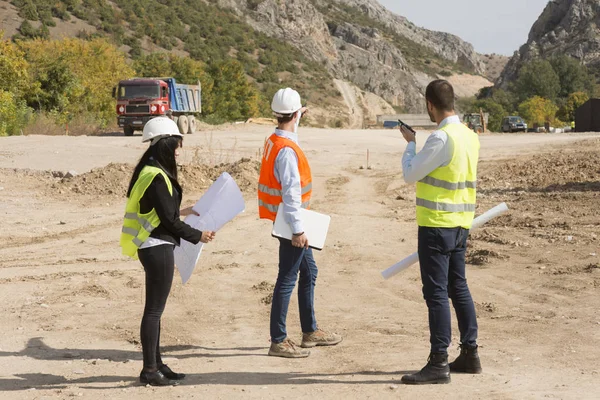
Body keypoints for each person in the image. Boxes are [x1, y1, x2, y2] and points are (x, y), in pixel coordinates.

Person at [120, 117, 216, 386]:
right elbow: (169, 222)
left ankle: (157, 364)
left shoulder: (150, 170)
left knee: (155, 311)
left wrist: (181, 211)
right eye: (176, 143)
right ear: (165, 144)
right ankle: (150, 370)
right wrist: (199, 236)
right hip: (156, 247)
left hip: (152, 245)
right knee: (153, 311)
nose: (179, 149)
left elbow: (160, 211)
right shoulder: (157, 176)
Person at [398, 80, 482, 385]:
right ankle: (470, 354)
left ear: (430, 105)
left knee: (436, 294)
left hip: (436, 226)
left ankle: (438, 362)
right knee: (458, 287)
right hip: (461, 224)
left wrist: (410, 144)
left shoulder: (441, 139)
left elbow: (410, 173)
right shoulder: (471, 137)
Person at [258, 88, 342, 358]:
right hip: (292, 223)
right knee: (287, 278)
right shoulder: (287, 152)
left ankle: (310, 332)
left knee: (310, 273)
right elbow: (291, 195)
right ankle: (278, 340)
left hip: (286, 219)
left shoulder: (275, 140)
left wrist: (299, 115)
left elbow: (290, 130)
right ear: (293, 114)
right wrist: (298, 231)